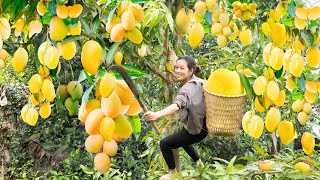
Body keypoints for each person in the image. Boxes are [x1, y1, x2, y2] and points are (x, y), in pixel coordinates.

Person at [144, 50, 208, 180]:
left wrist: (157, 115)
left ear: (191, 71)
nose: (177, 71)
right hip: (203, 126)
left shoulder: (187, 89)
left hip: (197, 131)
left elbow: (176, 105)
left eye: (181, 68)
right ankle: (199, 162)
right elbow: (181, 65)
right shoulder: (197, 81)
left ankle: (172, 173)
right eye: (176, 68)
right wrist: (174, 57)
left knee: (165, 144)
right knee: (182, 140)